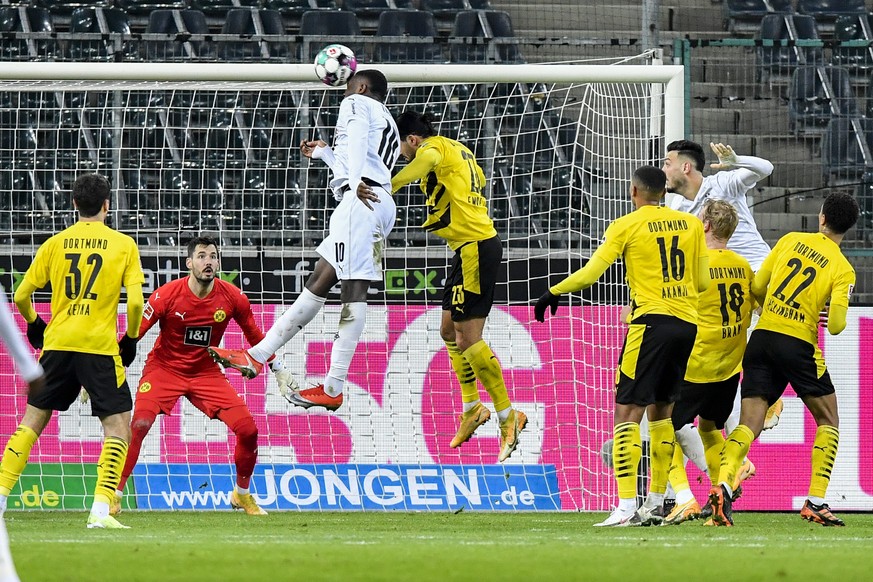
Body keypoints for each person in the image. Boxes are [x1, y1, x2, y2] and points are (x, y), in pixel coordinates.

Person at [207, 69, 400, 411]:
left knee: (353, 291)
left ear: (362, 87)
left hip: (361, 200)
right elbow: (363, 154)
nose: (345, 94)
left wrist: (353, 180)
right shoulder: (389, 122)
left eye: (347, 88)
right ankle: (256, 355)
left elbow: (355, 143)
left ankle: (333, 386)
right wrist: (326, 155)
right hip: (377, 200)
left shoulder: (357, 102)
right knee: (319, 280)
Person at [535, 165, 709, 526]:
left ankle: (626, 506)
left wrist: (554, 291)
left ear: (634, 191)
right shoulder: (692, 225)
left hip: (650, 324)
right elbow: (704, 282)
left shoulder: (626, 225)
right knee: (662, 415)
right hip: (687, 325)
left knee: (627, 412)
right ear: (664, 191)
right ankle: (655, 503)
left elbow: (592, 273)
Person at [364, 110, 527, 462]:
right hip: (465, 248)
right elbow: (474, 182)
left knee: (469, 338)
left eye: (403, 148)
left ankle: (507, 414)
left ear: (412, 139)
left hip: (477, 248)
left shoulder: (432, 149)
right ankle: (472, 407)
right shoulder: (461, 151)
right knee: (449, 331)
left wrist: (389, 185)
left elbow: (427, 162)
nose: (403, 155)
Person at [0, 173, 144, 529]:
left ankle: (0, 499)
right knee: (117, 427)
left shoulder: (54, 244)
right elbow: (137, 302)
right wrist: (131, 338)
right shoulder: (123, 245)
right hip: (98, 347)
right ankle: (99, 511)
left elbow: (20, 295)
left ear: (74, 205)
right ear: (107, 206)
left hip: (58, 344)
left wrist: (35, 323)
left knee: (31, 423)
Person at [709, 191, 859, 527]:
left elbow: (758, 285)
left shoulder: (790, 239)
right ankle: (816, 501)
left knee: (749, 424)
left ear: (821, 218)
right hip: (798, 345)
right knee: (829, 421)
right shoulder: (843, 269)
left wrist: (772, 309)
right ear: (846, 229)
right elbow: (835, 326)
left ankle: (722, 486)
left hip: (762, 338)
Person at [113, 236, 292, 516]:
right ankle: (115, 494)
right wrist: (109, 365)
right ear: (189, 263)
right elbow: (132, 336)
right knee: (140, 423)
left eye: (213, 256)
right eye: (201, 256)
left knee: (248, 430)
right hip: (164, 369)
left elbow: (256, 337)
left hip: (206, 372)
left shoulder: (233, 298)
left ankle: (242, 495)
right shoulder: (165, 295)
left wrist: (278, 368)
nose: (208, 261)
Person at [661, 140, 782, 503]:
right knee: (725, 367)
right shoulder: (676, 206)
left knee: (769, 335)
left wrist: (734, 162)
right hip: (718, 282)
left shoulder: (723, 185)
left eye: (667, 162)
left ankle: (771, 398)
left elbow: (766, 168)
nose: (662, 168)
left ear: (686, 167)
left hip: (755, 272)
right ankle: (733, 467)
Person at [662, 200, 755, 525]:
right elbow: (756, 301)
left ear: (705, 226)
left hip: (694, 366)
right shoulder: (742, 266)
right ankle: (721, 496)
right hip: (728, 369)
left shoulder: (694, 264)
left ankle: (684, 497)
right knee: (710, 428)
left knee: (662, 428)